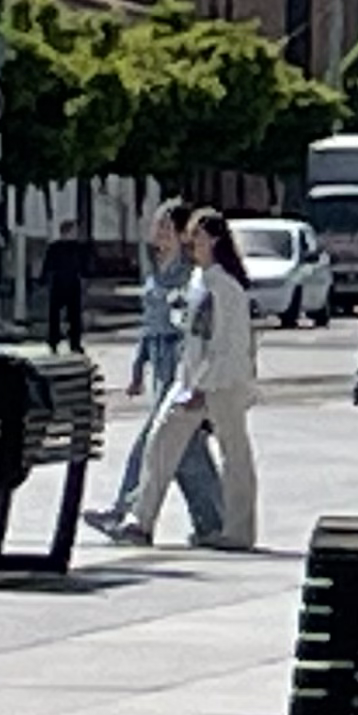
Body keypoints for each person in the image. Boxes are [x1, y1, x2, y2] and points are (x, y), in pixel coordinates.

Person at [108, 211, 262, 551]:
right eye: (192, 236)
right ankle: (140, 520)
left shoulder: (226, 287)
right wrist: (187, 382)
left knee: (234, 454)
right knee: (160, 442)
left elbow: (227, 346)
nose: (194, 243)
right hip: (190, 380)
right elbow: (193, 338)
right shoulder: (198, 280)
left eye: (201, 237)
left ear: (216, 242)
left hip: (223, 383)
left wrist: (201, 387)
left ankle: (238, 531)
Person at [96, 203, 223, 546]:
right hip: (159, 358)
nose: (161, 232)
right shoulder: (156, 272)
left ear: (183, 234)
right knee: (185, 450)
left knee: (154, 439)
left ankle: (126, 511)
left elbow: (194, 323)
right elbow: (148, 327)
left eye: (169, 226)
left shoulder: (188, 274)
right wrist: (137, 369)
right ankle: (214, 521)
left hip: (180, 361)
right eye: (158, 225)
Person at [38, 219, 92, 354]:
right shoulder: (58, 247)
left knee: (72, 316)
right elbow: (48, 266)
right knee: (58, 315)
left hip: (69, 284)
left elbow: (83, 267)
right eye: (73, 231)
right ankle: (56, 341)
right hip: (62, 284)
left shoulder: (75, 248)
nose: (75, 234)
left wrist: (85, 278)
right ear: (66, 232)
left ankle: (72, 342)